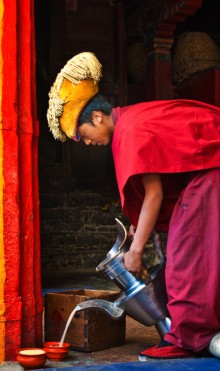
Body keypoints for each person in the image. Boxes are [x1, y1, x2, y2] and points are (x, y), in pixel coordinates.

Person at [47, 52, 220, 360]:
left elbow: (153, 194)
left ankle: (190, 337)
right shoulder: (132, 119)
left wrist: (136, 251)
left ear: (97, 117)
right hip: (209, 172)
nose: (88, 144)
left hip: (212, 173)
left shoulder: (129, 131)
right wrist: (137, 228)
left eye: (84, 136)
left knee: (185, 254)